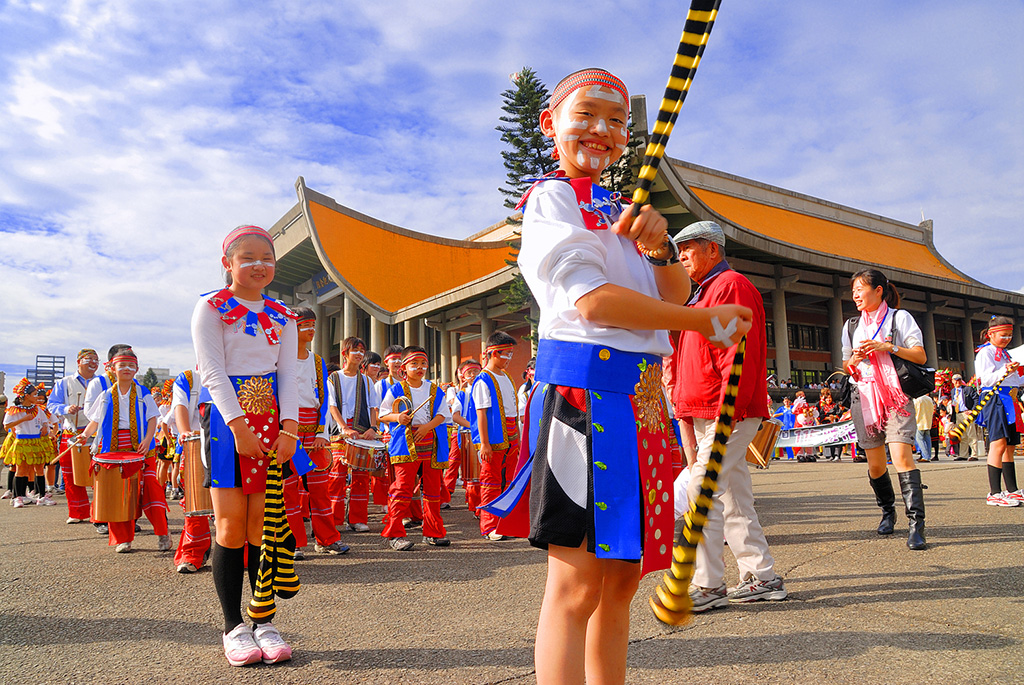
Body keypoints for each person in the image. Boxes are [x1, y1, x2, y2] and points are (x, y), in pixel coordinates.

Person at [497, 69, 752, 685]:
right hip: (584, 401)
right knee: (576, 585)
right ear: (548, 123)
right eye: (585, 115)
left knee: (620, 584)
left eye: (616, 122)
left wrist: (662, 249)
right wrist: (698, 321)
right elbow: (594, 303)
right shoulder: (552, 200)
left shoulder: (615, 208)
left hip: (641, 405)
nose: (602, 132)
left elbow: (666, 288)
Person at [191, 224, 300, 666]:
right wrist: (238, 427)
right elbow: (212, 373)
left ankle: (264, 620)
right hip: (227, 424)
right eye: (248, 257)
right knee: (231, 526)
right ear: (228, 264)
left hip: (273, 423)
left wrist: (289, 429)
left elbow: (289, 375)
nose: (260, 265)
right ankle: (233, 626)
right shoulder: (210, 308)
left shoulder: (283, 314)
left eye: (267, 258)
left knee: (264, 525)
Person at [670, 220, 787, 611]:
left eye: (688, 247)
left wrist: (727, 409)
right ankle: (762, 576)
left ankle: (708, 584)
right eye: (679, 249)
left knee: (700, 492)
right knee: (733, 497)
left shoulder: (728, 286)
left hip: (725, 411)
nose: (682, 255)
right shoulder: (706, 292)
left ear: (713, 250)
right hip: (714, 409)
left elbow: (736, 354)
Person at [842, 268, 929, 550]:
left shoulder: (899, 318)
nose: (855, 295)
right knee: (876, 464)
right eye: (853, 290)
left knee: (902, 457)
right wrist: (854, 358)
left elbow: (920, 355)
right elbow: (847, 367)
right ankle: (887, 512)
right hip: (864, 397)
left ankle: (916, 526)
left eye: (860, 289)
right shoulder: (851, 326)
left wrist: (887, 346)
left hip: (896, 395)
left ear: (879, 290)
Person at [80, 349, 169, 552]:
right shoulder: (104, 395)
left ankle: (163, 533)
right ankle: (123, 539)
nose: (127, 369)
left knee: (151, 490)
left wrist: (148, 439)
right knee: (117, 493)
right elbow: (95, 420)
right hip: (112, 448)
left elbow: (152, 418)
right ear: (112, 368)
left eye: (131, 366)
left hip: (142, 448)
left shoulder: (143, 392)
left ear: (136, 369)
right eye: (122, 365)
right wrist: (85, 435)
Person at [377, 345, 451, 550]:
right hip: (406, 444)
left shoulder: (434, 389)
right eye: (415, 364)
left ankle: (434, 532)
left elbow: (443, 414)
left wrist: (427, 427)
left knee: (433, 491)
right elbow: (382, 414)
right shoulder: (396, 390)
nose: (420, 368)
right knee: (402, 488)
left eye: (423, 364)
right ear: (404, 367)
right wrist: (397, 417)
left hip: (432, 442)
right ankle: (394, 533)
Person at [291, 307, 350, 555]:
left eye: (313, 324)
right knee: (289, 489)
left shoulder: (317, 361)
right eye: (305, 324)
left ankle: (326, 539)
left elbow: (324, 399)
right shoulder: (278, 359)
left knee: (319, 488)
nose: (311, 329)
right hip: (289, 430)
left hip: (315, 430)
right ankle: (291, 543)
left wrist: (321, 433)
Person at [465, 331, 521, 540]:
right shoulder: (483, 380)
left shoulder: (506, 377)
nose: (509, 359)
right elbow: (481, 414)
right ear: (493, 353)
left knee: (509, 480)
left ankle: (505, 522)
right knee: (490, 481)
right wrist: (485, 443)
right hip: (494, 437)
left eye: (511, 354)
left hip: (511, 435)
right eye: (506, 354)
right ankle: (489, 526)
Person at [327, 336, 381, 533]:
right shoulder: (333, 378)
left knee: (361, 477)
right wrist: (344, 428)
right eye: (355, 350)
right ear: (345, 354)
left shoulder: (367, 381)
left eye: (361, 351)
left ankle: (357, 519)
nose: (359, 354)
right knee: (337, 475)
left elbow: (373, 407)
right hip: (339, 434)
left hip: (363, 432)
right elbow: (332, 406)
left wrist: (373, 428)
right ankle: (334, 519)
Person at [974, 316, 1024, 507]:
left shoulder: (1005, 354)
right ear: (990, 334)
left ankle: (1012, 490)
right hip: (995, 399)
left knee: (1010, 446)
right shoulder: (985, 353)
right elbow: (985, 380)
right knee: (998, 443)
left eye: (1010, 335)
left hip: (1010, 398)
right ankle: (994, 492)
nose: (1007, 339)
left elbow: (1013, 380)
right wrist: (1005, 370)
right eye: (1003, 335)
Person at [48, 348, 100, 522]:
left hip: (96, 433)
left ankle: (100, 512)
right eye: (89, 359)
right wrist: (65, 409)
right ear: (78, 362)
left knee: (100, 475)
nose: (93, 363)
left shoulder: (102, 382)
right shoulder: (64, 382)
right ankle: (77, 512)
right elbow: (52, 404)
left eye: (96, 360)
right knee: (70, 475)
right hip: (72, 432)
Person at [171, 366, 212, 573]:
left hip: (232, 443)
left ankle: (242, 552)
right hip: (196, 445)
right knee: (194, 506)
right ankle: (193, 552)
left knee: (239, 502)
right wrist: (185, 432)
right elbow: (180, 406)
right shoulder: (188, 378)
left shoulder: (239, 368)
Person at [1, 379, 56, 507]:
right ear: (27, 396)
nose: (37, 397)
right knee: (21, 469)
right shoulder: (14, 410)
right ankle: (17, 496)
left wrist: (44, 428)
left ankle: (41, 496)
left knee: (39, 468)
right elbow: (7, 425)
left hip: (36, 441)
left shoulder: (38, 409)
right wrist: (24, 418)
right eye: (34, 394)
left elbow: (45, 421)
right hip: (22, 440)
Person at [950, 374, 982, 461]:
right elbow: (953, 405)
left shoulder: (968, 389)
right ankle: (963, 454)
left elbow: (976, 399)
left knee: (971, 434)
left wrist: (972, 410)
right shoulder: (953, 391)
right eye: (955, 380)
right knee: (962, 435)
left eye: (959, 380)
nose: (957, 382)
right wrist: (953, 418)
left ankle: (974, 454)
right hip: (958, 414)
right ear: (952, 381)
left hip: (966, 413)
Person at [818, 387, 844, 461]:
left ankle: (837, 455)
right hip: (827, 425)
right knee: (829, 441)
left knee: (837, 441)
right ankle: (830, 455)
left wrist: (834, 417)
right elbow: (821, 416)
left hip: (835, 424)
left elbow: (840, 414)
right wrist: (828, 418)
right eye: (827, 398)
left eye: (830, 398)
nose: (828, 400)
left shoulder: (835, 406)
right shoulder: (823, 407)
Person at [913, 393, 935, 464]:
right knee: (927, 439)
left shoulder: (917, 400)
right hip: (928, 421)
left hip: (919, 421)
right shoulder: (929, 399)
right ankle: (928, 455)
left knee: (920, 439)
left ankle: (925, 456)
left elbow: (914, 411)